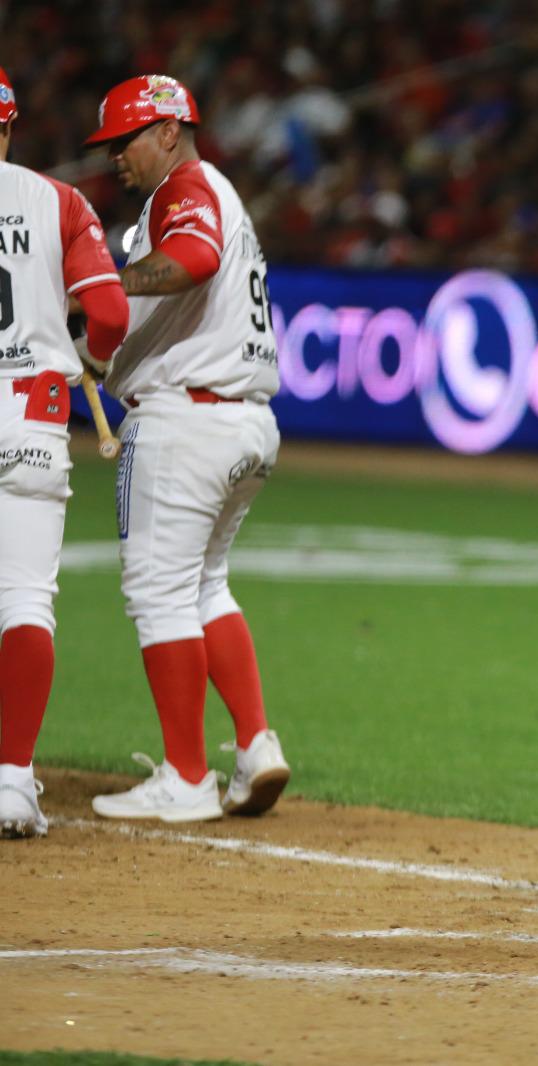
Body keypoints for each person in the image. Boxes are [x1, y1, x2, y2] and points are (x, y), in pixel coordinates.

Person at [80, 75, 290, 823]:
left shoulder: (186, 187)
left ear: (169, 131)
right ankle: (256, 744)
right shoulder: (213, 193)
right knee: (204, 585)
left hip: (186, 422)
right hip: (243, 421)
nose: (115, 156)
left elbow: (193, 261)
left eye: (125, 140)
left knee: (158, 592)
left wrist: (97, 286)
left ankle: (187, 776)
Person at [0, 66, 130, 837]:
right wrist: (90, 351)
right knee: (24, 601)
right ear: (9, 125)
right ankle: (13, 782)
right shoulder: (60, 202)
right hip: (33, 413)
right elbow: (109, 313)